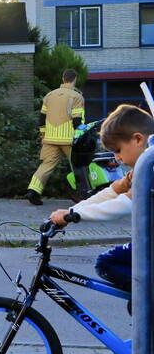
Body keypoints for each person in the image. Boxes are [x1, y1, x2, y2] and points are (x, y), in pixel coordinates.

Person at [49, 104, 153, 290]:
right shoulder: (140, 169)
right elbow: (111, 193)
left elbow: (124, 204)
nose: (117, 157)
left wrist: (77, 216)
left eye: (118, 150)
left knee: (107, 262)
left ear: (138, 139)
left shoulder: (150, 169)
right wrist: (72, 212)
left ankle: (145, 303)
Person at [26, 69, 85, 206]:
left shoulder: (49, 95)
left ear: (63, 79)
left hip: (50, 138)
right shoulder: (77, 97)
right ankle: (83, 193)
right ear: (74, 79)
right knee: (79, 165)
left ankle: (33, 191)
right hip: (69, 139)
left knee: (46, 165)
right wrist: (82, 136)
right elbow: (77, 121)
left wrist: (43, 134)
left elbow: (41, 118)